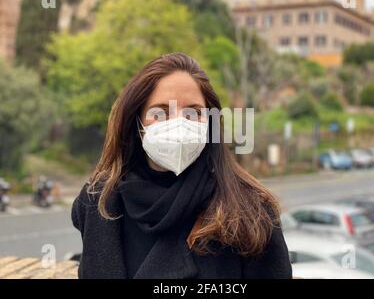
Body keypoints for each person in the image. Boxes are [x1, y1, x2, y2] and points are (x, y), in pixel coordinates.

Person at [71, 52, 292, 279]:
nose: (178, 123)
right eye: (161, 112)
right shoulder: (98, 201)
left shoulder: (250, 210)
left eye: (194, 112)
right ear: (136, 122)